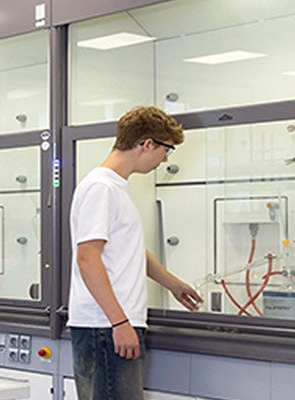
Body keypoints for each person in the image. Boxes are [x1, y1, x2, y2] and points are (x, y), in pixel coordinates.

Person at [68, 106, 206, 400]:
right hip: (104, 327)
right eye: (166, 150)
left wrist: (173, 284)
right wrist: (119, 323)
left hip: (111, 325)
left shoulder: (116, 188)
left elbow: (129, 252)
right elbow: (87, 258)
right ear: (147, 144)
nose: (165, 159)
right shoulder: (100, 188)